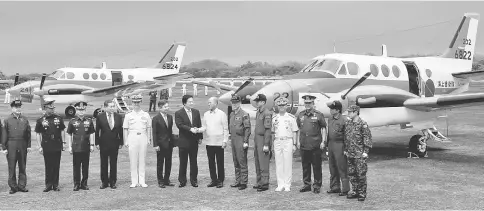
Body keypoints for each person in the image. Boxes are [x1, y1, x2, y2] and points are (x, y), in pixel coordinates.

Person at [296, 94, 326, 194]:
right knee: (305, 166)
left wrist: (323, 141)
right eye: (306, 103)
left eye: (309, 103)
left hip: (315, 144)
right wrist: (298, 142)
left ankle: (317, 185)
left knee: (316, 166)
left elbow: (323, 128)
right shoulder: (301, 115)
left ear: (313, 103)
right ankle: (307, 184)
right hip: (304, 144)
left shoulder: (318, 114)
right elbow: (300, 129)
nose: (307, 104)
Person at [35, 98, 66, 192]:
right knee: (48, 165)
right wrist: (39, 146)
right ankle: (48, 184)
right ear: (45, 108)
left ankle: (55, 184)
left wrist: (64, 143)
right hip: (46, 145)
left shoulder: (58, 118)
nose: (52, 110)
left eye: (53, 108)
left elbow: (62, 130)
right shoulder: (41, 120)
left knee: (56, 165)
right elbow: (38, 133)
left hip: (57, 144)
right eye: (50, 108)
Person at [1, 99, 31, 194]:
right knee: (12, 166)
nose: (18, 109)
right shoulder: (7, 120)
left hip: (22, 144)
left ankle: (22, 185)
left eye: (19, 107)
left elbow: (28, 133)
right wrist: (4, 147)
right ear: (12, 108)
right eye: (16, 107)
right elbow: (4, 134)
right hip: (11, 145)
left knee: (22, 165)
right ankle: (13, 186)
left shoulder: (25, 119)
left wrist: (28, 146)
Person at [344, 105, 372, 201]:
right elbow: (346, 137)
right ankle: (355, 190)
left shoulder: (362, 124)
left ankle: (362, 193)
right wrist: (346, 149)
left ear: (355, 112)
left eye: (350, 112)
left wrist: (366, 152)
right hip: (350, 153)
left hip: (359, 153)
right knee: (351, 173)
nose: (348, 114)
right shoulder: (348, 123)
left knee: (361, 174)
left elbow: (367, 138)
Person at [123, 94, 152, 188]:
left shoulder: (145, 114)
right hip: (132, 136)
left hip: (142, 136)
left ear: (141, 102)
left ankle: (142, 180)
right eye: (134, 102)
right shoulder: (128, 115)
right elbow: (125, 129)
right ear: (132, 103)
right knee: (133, 160)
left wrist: (149, 138)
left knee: (142, 159)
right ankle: (134, 181)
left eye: (138, 102)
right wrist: (125, 140)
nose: (136, 104)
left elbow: (148, 127)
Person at [199, 97, 228, 188]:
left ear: (215, 103)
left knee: (220, 162)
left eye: (210, 103)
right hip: (209, 142)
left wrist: (225, 140)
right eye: (208, 103)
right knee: (211, 162)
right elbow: (204, 127)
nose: (208, 104)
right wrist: (198, 130)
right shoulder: (206, 114)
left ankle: (220, 180)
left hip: (219, 142)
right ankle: (213, 180)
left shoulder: (222, 114)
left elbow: (225, 128)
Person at [175, 94, 203, 188]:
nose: (192, 103)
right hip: (183, 141)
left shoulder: (196, 112)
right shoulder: (178, 113)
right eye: (190, 102)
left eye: (192, 101)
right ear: (184, 103)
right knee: (183, 162)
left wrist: (200, 137)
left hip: (194, 141)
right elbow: (180, 125)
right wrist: (190, 129)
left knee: (193, 161)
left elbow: (199, 124)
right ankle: (182, 180)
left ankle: (194, 180)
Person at [66, 101, 95, 191]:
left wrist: (92, 145)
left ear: (85, 110)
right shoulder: (72, 121)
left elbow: (92, 133)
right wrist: (70, 146)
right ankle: (76, 184)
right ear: (76, 110)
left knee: (85, 167)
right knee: (76, 167)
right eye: (79, 110)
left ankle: (84, 183)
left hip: (86, 147)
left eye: (83, 110)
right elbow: (69, 134)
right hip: (76, 147)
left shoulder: (89, 121)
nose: (81, 112)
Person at [95, 100, 124, 189]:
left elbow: (120, 130)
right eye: (111, 106)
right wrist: (97, 143)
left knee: (113, 163)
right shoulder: (100, 117)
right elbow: (97, 131)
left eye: (113, 106)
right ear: (105, 107)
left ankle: (113, 181)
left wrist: (121, 141)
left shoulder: (118, 116)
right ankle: (104, 182)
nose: (112, 108)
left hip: (115, 143)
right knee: (103, 163)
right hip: (103, 143)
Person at [271, 97, 298, 192]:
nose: (281, 107)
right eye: (280, 105)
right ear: (277, 106)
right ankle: (280, 184)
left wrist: (294, 144)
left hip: (288, 141)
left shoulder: (291, 117)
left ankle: (287, 184)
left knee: (287, 162)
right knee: (278, 163)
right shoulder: (274, 118)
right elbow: (273, 132)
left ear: (286, 106)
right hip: (277, 140)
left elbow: (294, 131)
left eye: (283, 105)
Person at [326, 100, 350, 196]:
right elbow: (329, 133)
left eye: (332, 109)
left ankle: (345, 189)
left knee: (342, 167)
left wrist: (346, 148)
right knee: (332, 166)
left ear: (338, 110)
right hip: (331, 144)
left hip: (340, 144)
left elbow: (347, 135)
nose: (331, 110)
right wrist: (327, 146)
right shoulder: (330, 119)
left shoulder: (344, 120)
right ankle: (335, 187)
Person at [228, 94, 251, 190]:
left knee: (242, 161)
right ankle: (238, 180)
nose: (234, 104)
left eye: (236, 102)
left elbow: (247, 128)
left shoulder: (244, 114)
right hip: (233, 139)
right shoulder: (232, 114)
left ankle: (244, 182)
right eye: (232, 102)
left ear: (239, 103)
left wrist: (245, 141)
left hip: (240, 139)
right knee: (235, 161)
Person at [152, 99, 176, 188]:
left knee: (168, 162)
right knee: (160, 163)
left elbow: (170, 130)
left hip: (169, 144)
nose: (167, 108)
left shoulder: (170, 117)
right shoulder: (155, 119)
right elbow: (154, 133)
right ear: (160, 108)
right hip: (160, 144)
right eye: (165, 107)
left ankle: (167, 180)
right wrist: (155, 145)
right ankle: (160, 181)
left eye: (167, 106)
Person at [252, 94, 272, 192]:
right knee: (257, 161)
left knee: (263, 162)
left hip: (263, 139)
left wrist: (266, 144)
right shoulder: (258, 112)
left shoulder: (266, 113)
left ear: (263, 102)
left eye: (258, 101)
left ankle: (264, 183)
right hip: (257, 139)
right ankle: (259, 181)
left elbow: (268, 130)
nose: (256, 103)